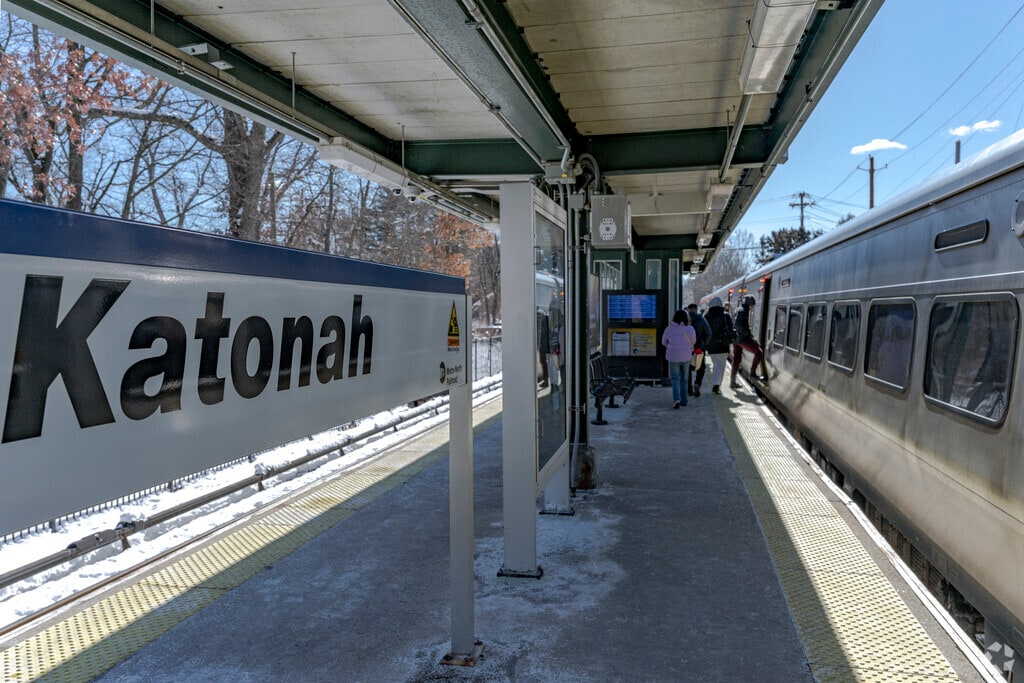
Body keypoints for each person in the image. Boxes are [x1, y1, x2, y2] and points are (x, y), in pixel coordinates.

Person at [662, 309, 696, 409]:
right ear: (686, 318)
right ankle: (684, 400)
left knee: (675, 379)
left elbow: (663, 342)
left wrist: (672, 346)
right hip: (686, 356)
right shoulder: (690, 329)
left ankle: (676, 399)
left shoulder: (669, 329)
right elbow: (693, 341)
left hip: (673, 357)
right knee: (684, 379)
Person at [731, 295, 766, 388]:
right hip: (742, 339)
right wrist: (747, 334)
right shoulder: (744, 311)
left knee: (737, 359)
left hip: (736, 339)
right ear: (749, 304)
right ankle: (753, 373)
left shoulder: (739, 309)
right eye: (752, 305)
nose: (752, 307)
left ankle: (732, 382)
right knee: (759, 352)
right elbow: (738, 325)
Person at [703, 296, 735, 394]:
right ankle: (716, 384)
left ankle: (716, 383)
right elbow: (730, 329)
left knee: (715, 363)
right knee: (720, 365)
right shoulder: (725, 316)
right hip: (723, 345)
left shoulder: (706, 316)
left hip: (711, 346)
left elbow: (704, 331)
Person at [686, 303, 712, 397]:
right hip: (699, 348)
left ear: (688, 309)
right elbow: (709, 333)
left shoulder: (685, 319)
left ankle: (689, 389)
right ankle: (697, 383)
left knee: (687, 368)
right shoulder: (701, 319)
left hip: (687, 348)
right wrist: (704, 343)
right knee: (700, 367)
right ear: (696, 309)